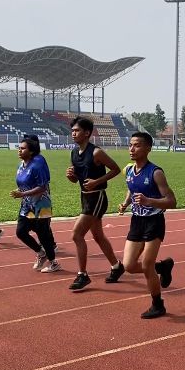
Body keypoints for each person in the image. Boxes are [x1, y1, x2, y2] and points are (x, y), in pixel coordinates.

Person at [114, 132, 176, 318]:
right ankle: (162, 267)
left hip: (154, 221)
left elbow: (172, 201)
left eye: (137, 145)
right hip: (136, 221)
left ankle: (158, 305)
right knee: (129, 265)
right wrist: (126, 203)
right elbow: (131, 188)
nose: (132, 149)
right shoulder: (129, 170)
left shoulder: (156, 173)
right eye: (130, 145)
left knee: (147, 266)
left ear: (148, 148)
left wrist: (149, 201)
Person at [65, 116, 124, 291]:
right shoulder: (74, 153)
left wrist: (97, 182)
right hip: (84, 196)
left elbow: (116, 169)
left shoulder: (96, 152)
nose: (73, 133)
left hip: (97, 197)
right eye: (72, 131)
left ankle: (82, 275)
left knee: (77, 235)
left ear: (87, 133)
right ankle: (116, 266)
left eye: (77, 130)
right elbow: (76, 180)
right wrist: (71, 177)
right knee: (98, 236)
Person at [11, 134, 60, 273]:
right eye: (19, 148)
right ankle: (40, 253)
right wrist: (20, 191)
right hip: (27, 205)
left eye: (23, 148)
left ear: (31, 151)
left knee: (43, 236)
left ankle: (53, 263)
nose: (19, 150)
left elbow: (43, 187)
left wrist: (23, 194)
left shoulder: (37, 164)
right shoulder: (21, 165)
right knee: (21, 232)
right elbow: (24, 183)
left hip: (41, 204)